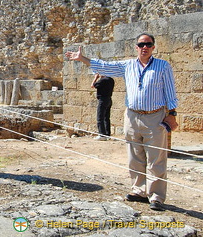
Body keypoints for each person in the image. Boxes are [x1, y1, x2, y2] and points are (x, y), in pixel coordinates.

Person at [65, 33, 178, 211]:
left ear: (153, 47)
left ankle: (156, 196)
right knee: (135, 157)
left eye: (148, 44)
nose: (144, 47)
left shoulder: (163, 66)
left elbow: (170, 91)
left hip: (155, 116)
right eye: (141, 44)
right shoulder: (128, 66)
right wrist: (83, 59)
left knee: (156, 159)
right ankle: (139, 190)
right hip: (132, 116)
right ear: (136, 47)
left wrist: (172, 113)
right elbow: (105, 66)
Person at [91, 73, 115, 140]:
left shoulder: (102, 80)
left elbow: (92, 85)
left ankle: (102, 135)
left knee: (100, 118)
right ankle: (107, 134)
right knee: (106, 118)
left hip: (102, 100)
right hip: (109, 99)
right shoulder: (111, 79)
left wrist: (96, 78)